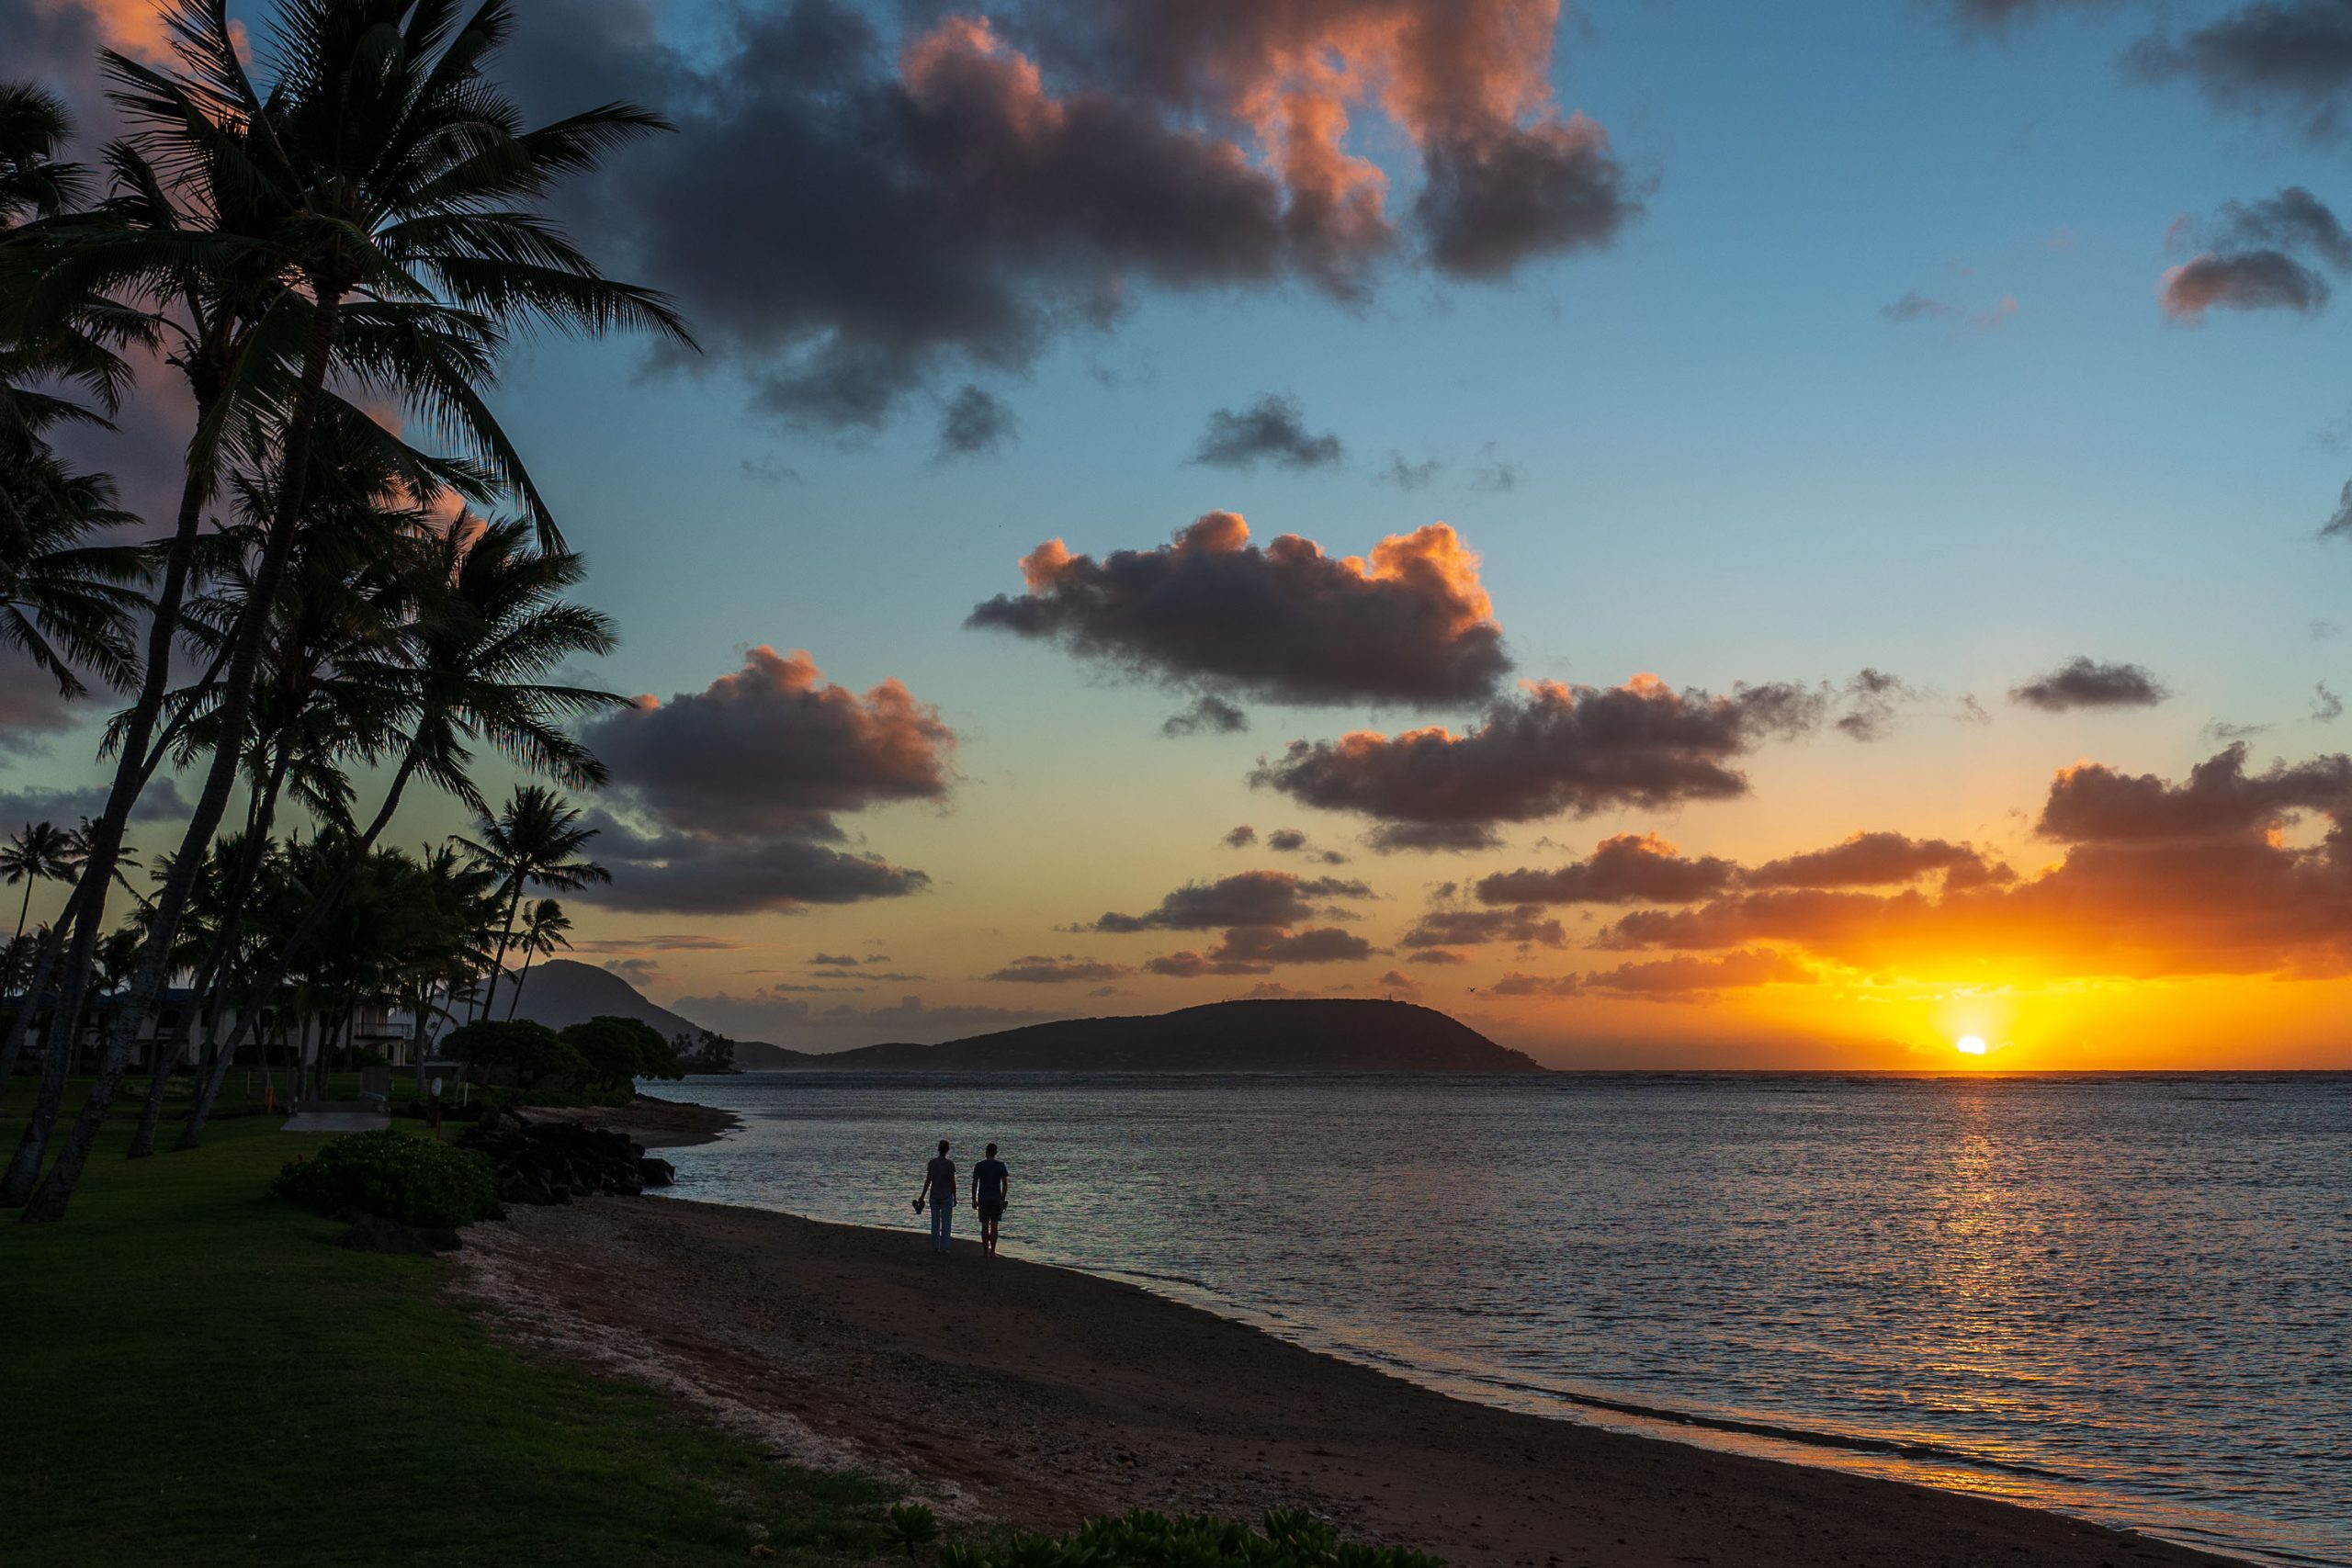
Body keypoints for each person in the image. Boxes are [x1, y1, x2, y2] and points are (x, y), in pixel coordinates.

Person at [917, 1139, 957, 1253]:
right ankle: (945, 1247)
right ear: (947, 1150)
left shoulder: (932, 1163)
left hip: (934, 1195)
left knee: (935, 1222)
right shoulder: (949, 1164)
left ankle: (935, 1246)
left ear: (938, 1149)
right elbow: (952, 1182)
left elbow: (928, 1180)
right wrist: (955, 1196)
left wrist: (922, 1195)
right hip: (946, 1195)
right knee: (946, 1222)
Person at [970, 1143, 1009, 1258]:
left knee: (984, 1225)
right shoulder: (1000, 1165)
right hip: (996, 1198)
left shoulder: (979, 1165)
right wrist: (1003, 1198)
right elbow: (1005, 1184)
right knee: (994, 1225)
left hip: (983, 1197)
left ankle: (985, 1251)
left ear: (986, 1152)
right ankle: (992, 1252)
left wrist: (974, 1199)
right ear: (995, 1153)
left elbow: (975, 1183)